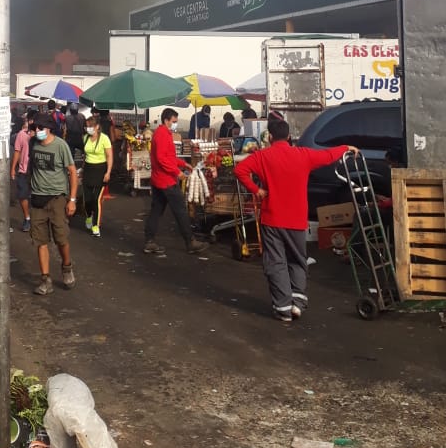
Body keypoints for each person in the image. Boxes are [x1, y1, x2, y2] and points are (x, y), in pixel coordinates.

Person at [234, 120, 357, 323]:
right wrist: (346, 148)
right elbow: (327, 156)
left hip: (272, 218)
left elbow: (240, 170)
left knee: (276, 262)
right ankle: (297, 303)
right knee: (297, 260)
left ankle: (283, 308)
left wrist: (257, 190)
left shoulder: (262, 156)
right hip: (297, 219)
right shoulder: (303, 154)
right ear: (289, 136)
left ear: (270, 137)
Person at [144, 109, 207, 256]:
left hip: (159, 180)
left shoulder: (164, 134)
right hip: (166, 181)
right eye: (174, 121)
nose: (175, 124)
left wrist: (183, 164)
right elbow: (162, 159)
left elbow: (169, 157)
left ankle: (149, 241)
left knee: (156, 211)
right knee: (180, 211)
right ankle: (190, 241)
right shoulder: (161, 135)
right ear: (166, 120)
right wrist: (176, 172)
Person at [28, 112, 78, 295]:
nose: (37, 131)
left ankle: (66, 267)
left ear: (49, 128)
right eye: (34, 128)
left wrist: (72, 200)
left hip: (57, 198)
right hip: (37, 198)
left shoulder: (60, 146)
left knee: (61, 239)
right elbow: (30, 168)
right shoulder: (32, 144)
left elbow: (72, 172)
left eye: (40, 128)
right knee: (40, 241)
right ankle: (45, 279)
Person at [82, 115, 113, 237]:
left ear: (97, 127)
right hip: (88, 170)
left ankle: (96, 225)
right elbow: (85, 155)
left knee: (96, 199)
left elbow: (109, 156)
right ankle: (88, 216)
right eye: (87, 126)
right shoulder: (85, 138)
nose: (88, 129)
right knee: (87, 200)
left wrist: (108, 172)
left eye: (90, 126)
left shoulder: (104, 139)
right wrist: (82, 169)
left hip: (101, 170)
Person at [11, 112, 36, 232]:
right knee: (22, 195)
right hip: (23, 170)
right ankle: (27, 218)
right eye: (30, 121)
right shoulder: (21, 134)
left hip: (37, 172)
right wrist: (12, 168)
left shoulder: (42, 136)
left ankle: (37, 219)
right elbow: (17, 151)